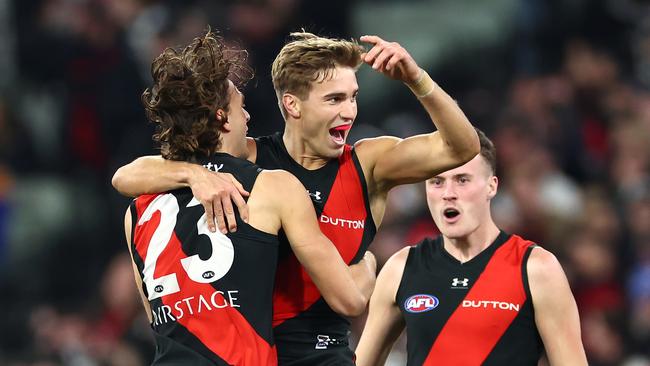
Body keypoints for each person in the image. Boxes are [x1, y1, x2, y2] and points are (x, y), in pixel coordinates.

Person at [113, 32, 480, 365]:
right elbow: (129, 175)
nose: (349, 111)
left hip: (321, 354)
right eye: (335, 99)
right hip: (257, 349)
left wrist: (417, 79)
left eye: (353, 97)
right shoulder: (251, 161)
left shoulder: (369, 164)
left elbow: (462, 147)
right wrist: (195, 174)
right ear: (293, 105)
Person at [124, 30, 376, 365]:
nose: (247, 118)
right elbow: (351, 301)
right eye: (241, 108)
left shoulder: (137, 211)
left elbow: (157, 316)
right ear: (222, 118)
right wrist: (368, 265)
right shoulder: (273, 186)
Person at [355, 129, 588, 366]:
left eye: (462, 180)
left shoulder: (536, 268)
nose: (448, 194)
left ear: (491, 186)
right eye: (436, 182)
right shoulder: (402, 268)